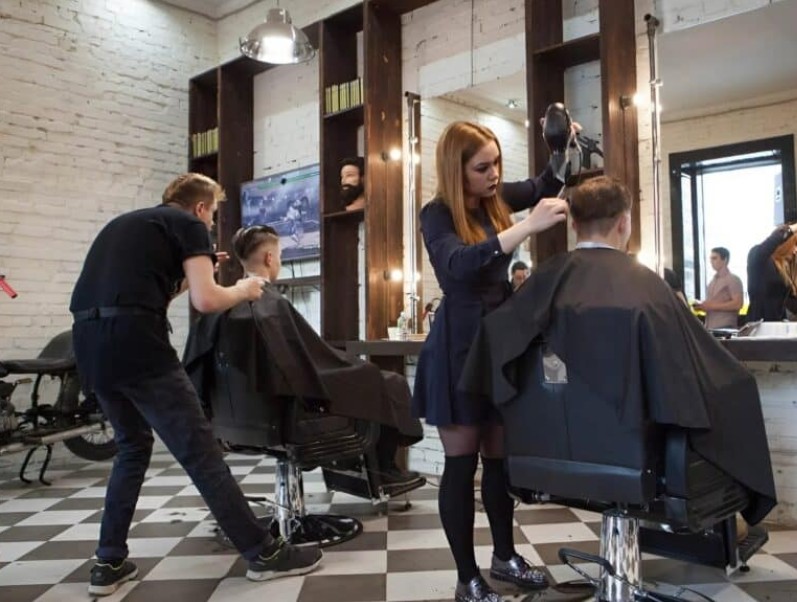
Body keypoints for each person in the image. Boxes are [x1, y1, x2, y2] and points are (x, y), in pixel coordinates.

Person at [461, 175, 776, 529]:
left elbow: (495, 348)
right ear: (625, 223)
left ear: (574, 225)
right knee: (737, 392)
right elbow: (687, 379)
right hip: (634, 459)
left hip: (542, 456)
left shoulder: (542, 284)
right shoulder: (645, 289)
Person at [69, 173, 322, 597]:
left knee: (131, 447)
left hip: (89, 344)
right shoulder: (188, 224)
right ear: (201, 207)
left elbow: (143, 292)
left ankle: (108, 562)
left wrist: (189, 275)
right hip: (137, 343)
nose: (210, 224)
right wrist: (243, 288)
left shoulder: (127, 224)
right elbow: (206, 301)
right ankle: (263, 553)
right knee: (200, 452)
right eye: (213, 215)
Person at [412, 121, 569, 602]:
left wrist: (560, 147)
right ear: (456, 169)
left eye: (497, 162)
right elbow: (458, 264)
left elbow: (544, 185)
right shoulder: (436, 214)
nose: (494, 174)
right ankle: (467, 578)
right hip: (460, 346)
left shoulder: (495, 199)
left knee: (499, 461)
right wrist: (526, 227)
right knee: (462, 465)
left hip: (500, 340)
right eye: (483, 167)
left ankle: (505, 557)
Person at [183, 224, 424, 489]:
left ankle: (370, 473)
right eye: (280, 255)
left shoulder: (221, 305)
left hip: (237, 419)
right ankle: (385, 472)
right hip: (287, 414)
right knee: (386, 381)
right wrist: (358, 368)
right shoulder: (272, 305)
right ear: (270, 258)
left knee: (370, 380)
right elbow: (307, 364)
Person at [747, 223, 797, 321]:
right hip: (760, 324)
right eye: (794, 245)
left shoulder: (784, 270)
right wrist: (791, 229)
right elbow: (771, 242)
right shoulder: (758, 258)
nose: (795, 250)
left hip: (778, 325)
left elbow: (791, 303)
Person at [693, 247, 743, 329]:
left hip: (725, 327)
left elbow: (738, 304)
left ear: (725, 260)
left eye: (715, 258)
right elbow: (711, 304)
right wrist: (703, 306)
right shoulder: (712, 282)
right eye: (711, 259)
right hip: (710, 326)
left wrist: (711, 306)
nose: (711, 261)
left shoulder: (733, 279)